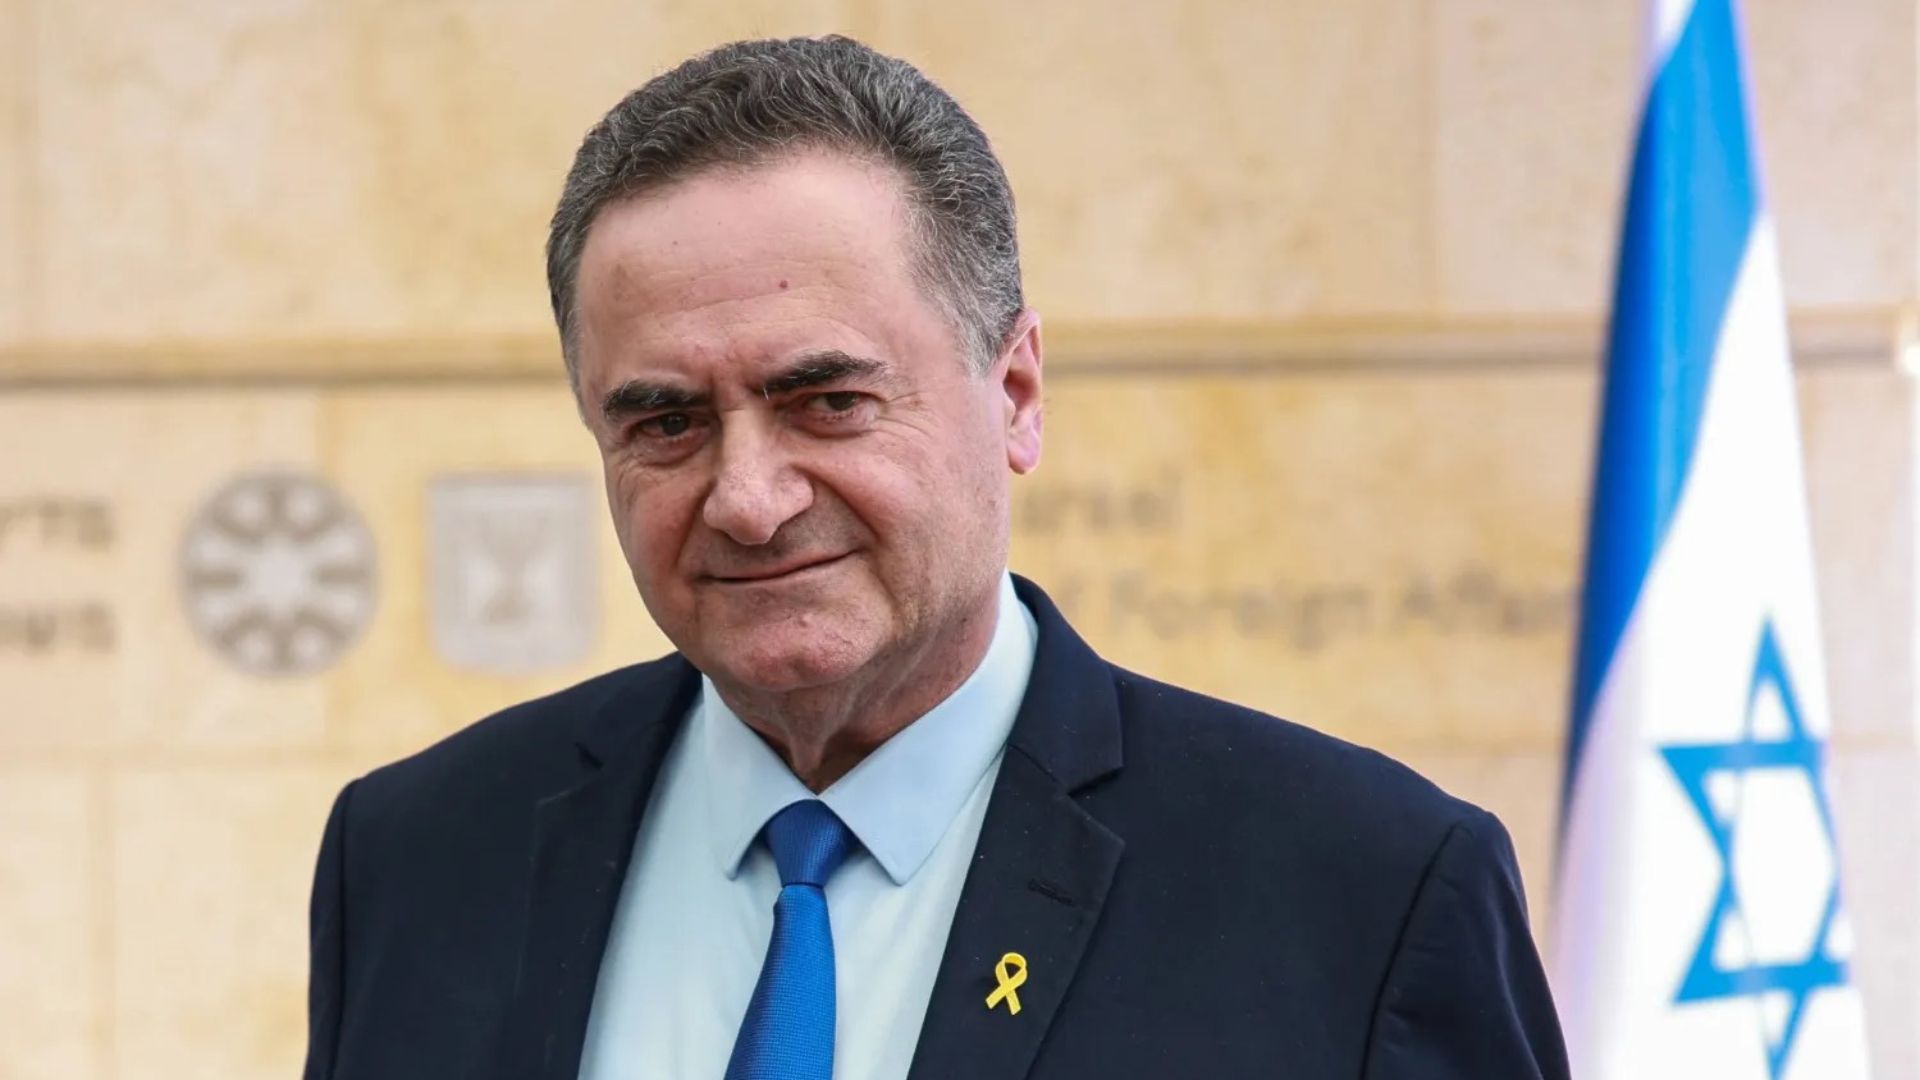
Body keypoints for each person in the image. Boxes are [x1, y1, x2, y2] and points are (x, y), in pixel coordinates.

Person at [302, 35, 1569, 1080]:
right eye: (667, 423)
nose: (749, 501)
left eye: (828, 401)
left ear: (1015, 393)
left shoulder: (1363, 892)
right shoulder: (417, 860)